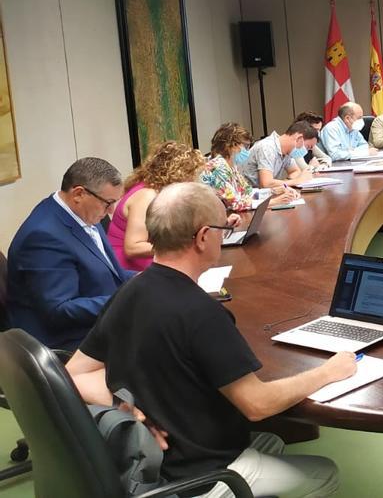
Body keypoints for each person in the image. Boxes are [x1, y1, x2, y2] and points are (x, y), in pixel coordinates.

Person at [66, 182, 355, 497]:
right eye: (221, 228)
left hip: (152, 458)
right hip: (199, 473)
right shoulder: (201, 312)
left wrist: (126, 408)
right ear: (203, 237)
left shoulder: (129, 291)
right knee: (326, 473)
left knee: (272, 443)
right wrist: (329, 371)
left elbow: (74, 373)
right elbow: (257, 405)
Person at [7, 158, 134, 350]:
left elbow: (110, 274)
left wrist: (147, 279)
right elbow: (59, 310)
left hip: (99, 322)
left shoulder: (83, 213)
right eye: (108, 203)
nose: (111, 211)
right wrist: (128, 300)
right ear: (79, 193)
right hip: (69, 342)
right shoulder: (43, 236)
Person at [108, 141, 211, 273]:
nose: (192, 181)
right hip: (129, 271)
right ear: (177, 173)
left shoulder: (159, 192)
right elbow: (133, 248)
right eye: (190, 175)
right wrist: (178, 248)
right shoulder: (146, 196)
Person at [200, 122, 298, 212]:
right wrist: (273, 202)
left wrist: (274, 191)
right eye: (246, 146)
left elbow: (248, 193)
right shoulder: (218, 167)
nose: (248, 150)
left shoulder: (232, 167)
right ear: (232, 145)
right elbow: (235, 204)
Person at [238, 121, 315, 190]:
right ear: (299, 138)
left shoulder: (287, 151)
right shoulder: (267, 147)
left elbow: (295, 171)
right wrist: (296, 181)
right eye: (308, 147)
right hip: (248, 197)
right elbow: (265, 184)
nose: (306, 151)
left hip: (265, 195)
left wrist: (285, 183)